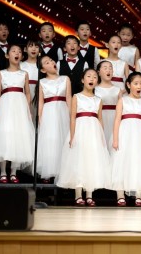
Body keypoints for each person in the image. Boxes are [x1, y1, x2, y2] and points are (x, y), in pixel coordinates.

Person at [56, 69, 111, 206]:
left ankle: (89, 194)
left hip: (93, 132)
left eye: (94, 77)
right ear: (82, 80)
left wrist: (101, 136)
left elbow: (100, 119)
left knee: (91, 161)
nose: (91, 79)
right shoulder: (77, 97)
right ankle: (78, 195)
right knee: (79, 160)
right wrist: (72, 135)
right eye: (88, 76)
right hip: (80, 130)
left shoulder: (98, 100)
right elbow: (73, 118)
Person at [0, 44, 35, 183]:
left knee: (18, 136)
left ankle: (13, 172)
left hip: (20, 105)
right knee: (5, 136)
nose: (16, 53)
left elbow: (28, 93)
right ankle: (2, 172)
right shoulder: (2, 73)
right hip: (6, 105)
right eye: (13, 51)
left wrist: (28, 109)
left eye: (19, 51)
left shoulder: (24, 74)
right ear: (7, 55)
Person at [110, 72, 141, 207]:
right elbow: (117, 120)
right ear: (128, 85)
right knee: (122, 160)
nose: (139, 86)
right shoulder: (122, 100)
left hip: (139, 134)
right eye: (136, 83)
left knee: (139, 161)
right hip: (125, 133)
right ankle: (120, 195)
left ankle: (139, 194)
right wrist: (115, 139)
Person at [36, 55, 71, 182]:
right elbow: (40, 102)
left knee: (63, 139)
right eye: (47, 63)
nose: (51, 62)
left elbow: (69, 99)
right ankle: (49, 171)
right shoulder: (42, 82)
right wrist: (40, 120)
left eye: (51, 60)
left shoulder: (65, 79)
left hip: (62, 111)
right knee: (50, 140)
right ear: (43, 70)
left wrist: (71, 117)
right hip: (48, 112)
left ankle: (62, 172)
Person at [94, 60, 123, 147]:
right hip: (100, 117)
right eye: (105, 68)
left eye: (110, 68)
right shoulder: (95, 89)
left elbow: (122, 109)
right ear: (99, 72)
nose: (108, 70)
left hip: (115, 118)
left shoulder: (118, 90)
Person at [21, 39, 40, 109]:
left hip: (38, 96)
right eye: (31, 46)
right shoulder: (20, 65)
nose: (34, 49)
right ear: (25, 49)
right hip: (24, 95)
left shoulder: (42, 66)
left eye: (36, 47)